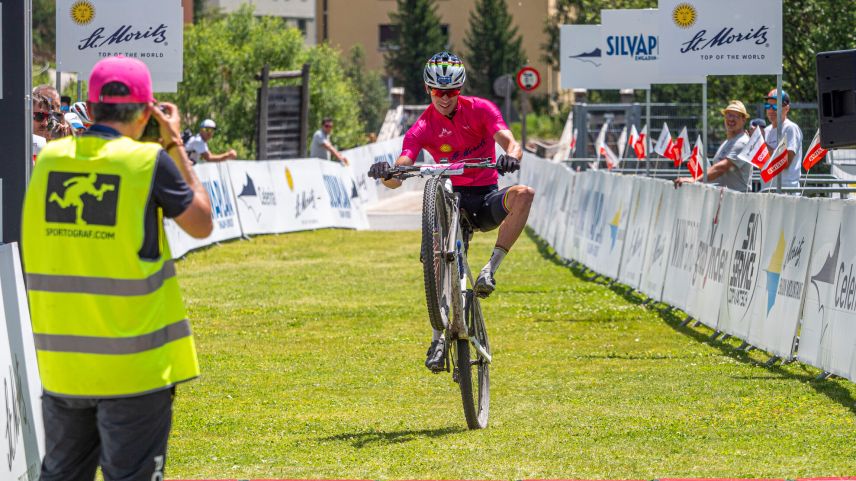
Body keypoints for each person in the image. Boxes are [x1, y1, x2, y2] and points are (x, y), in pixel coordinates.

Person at [22, 55, 213, 481]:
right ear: (147, 112)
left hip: (64, 366)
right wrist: (175, 143)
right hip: (134, 370)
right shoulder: (147, 162)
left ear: (90, 107)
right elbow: (201, 223)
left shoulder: (51, 161)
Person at [366, 51, 534, 371]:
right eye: (437, 92)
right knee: (436, 258)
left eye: (451, 92)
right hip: (450, 199)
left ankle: (489, 271)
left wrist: (511, 156)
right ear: (428, 89)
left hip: (483, 196)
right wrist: (388, 172)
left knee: (524, 195)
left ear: (460, 89)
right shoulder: (422, 126)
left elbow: (509, 141)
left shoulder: (482, 109)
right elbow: (402, 167)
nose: (444, 99)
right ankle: (437, 336)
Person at [674, 100, 751, 192]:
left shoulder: (742, 142)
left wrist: (695, 180)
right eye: (729, 115)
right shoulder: (728, 141)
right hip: (726, 199)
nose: (731, 119)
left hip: (737, 201)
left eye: (736, 116)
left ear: (743, 120)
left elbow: (721, 168)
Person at [761, 88, 803, 191]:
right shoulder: (766, 131)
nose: (771, 110)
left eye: (775, 106)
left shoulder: (790, 128)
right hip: (767, 190)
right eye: (768, 106)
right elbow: (762, 163)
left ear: (787, 108)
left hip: (786, 192)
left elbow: (785, 162)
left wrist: (761, 143)